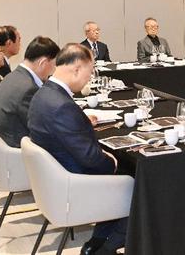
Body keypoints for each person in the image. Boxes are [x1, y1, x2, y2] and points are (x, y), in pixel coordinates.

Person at [27, 44, 125, 255]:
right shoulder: (61, 105)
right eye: (89, 73)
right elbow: (91, 159)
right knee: (139, 184)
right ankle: (104, 248)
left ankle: (98, 241)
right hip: (75, 182)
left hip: (55, 178)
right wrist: (112, 160)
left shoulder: (43, 94)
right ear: (77, 69)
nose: (89, 79)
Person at [0, 36, 59, 148]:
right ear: (43, 63)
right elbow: (43, 129)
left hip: (7, 143)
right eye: (54, 64)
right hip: (20, 151)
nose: (53, 70)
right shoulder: (28, 89)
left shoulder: (12, 76)